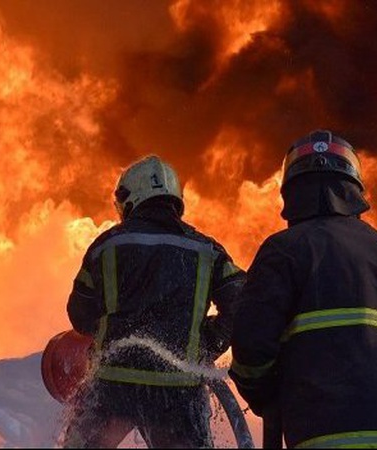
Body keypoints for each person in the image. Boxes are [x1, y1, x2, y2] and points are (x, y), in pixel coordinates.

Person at [229, 130, 377, 448]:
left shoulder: (284, 249)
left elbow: (252, 349)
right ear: (353, 188)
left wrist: (263, 392)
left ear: (291, 191)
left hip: (322, 436)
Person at [63, 155, 245, 448]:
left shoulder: (107, 245)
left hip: (113, 385)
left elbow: (80, 313)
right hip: (178, 390)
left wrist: (113, 331)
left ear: (131, 198)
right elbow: (242, 303)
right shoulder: (206, 249)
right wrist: (206, 343)